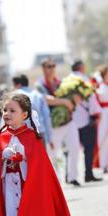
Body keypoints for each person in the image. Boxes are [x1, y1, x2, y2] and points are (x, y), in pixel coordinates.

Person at [0, 91, 85, 216]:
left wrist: (22, 157)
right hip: (8, 185)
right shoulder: (1, 137)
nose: (7, 114)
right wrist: (3, 159)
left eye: (12, 110)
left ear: (24, 115)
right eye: (5, 110)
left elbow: (39, 167)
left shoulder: (32, 137)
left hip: (28, 186)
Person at [34, 58, 80, 186]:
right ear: (43, 68)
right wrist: (64, 102)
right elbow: (47, 100)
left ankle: (72, 177)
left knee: (75, 148)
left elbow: (70, 97)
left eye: (53, 65)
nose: (52, 68)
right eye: (49, 66)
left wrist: (75, 100)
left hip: (68, 120)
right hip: (53, 124)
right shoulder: (39, 85)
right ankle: (56, 182)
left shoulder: (60, 82)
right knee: (54, 153)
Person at [68, 61, 103, 182]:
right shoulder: (84, 80)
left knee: (71, 148)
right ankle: (88, 173)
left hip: (71, 119)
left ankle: (70, 175)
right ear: (81, 68)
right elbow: (91, 98)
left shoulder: (66, 81)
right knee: (88, 148)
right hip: (85, 119)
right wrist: (96, 113)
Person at [13, 74, 52, 146]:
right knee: (40, 157)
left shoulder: (14, 96)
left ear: (17, 85)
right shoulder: (38, 95)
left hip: (22, 135)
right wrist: (50, 138)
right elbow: (47, 117)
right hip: (39, 134)